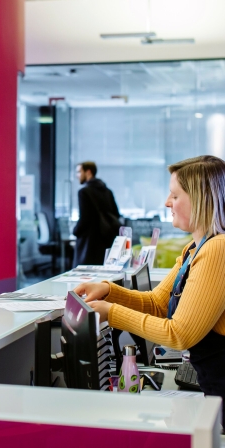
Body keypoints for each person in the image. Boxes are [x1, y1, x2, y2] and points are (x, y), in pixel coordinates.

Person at [75, 155, 225, 426]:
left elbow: (179, 334)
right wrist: (109, 291)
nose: (167, 202)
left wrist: (111, 313)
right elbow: (157, 303)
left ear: (201, 199)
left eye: (175, 195)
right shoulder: (194, 249)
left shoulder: (218, 249)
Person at [73, 161, 120, 266]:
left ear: (88, 172)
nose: (77, 176)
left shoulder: (84, 192)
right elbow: (116, 214)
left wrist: (75, 231)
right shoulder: (107, 191)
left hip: (89, 244)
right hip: (107, 241)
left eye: (79, 172)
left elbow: (84, 219)